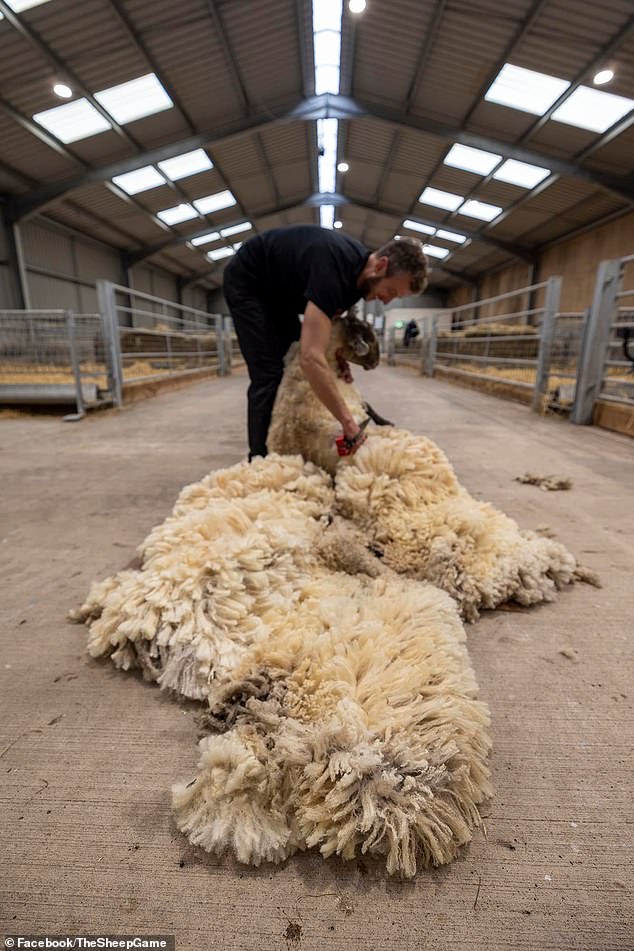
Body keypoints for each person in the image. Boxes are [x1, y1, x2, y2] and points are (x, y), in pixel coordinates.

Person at [223, 224, 428, 460]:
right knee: (269, 373)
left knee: (294, 361)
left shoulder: (358, 281)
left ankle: (289, 443)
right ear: (380, 266)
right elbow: (310, 358)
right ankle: (259, 461)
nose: (386, 301)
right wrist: (347, 422)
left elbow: (325, 331)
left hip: (281, 294)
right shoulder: (334, 270)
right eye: (390, 290)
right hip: (250, 282)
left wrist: (336, 357)